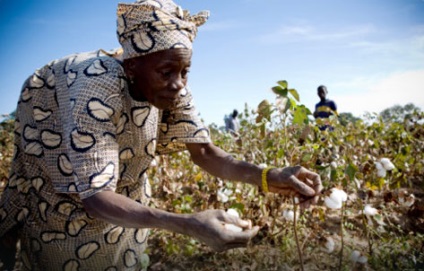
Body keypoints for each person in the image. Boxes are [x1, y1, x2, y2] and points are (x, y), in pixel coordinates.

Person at [0, 0, 322, 270]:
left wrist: (268, 177)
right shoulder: (94, 84)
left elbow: (206, 153)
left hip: (117, 198)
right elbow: (96, 198)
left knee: (125, 250)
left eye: (185, 72)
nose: (179, 83)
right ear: (130, 68)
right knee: (65, 244)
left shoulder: (172, 80)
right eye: (167, 72)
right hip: (60, 193)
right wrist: (187, 223)